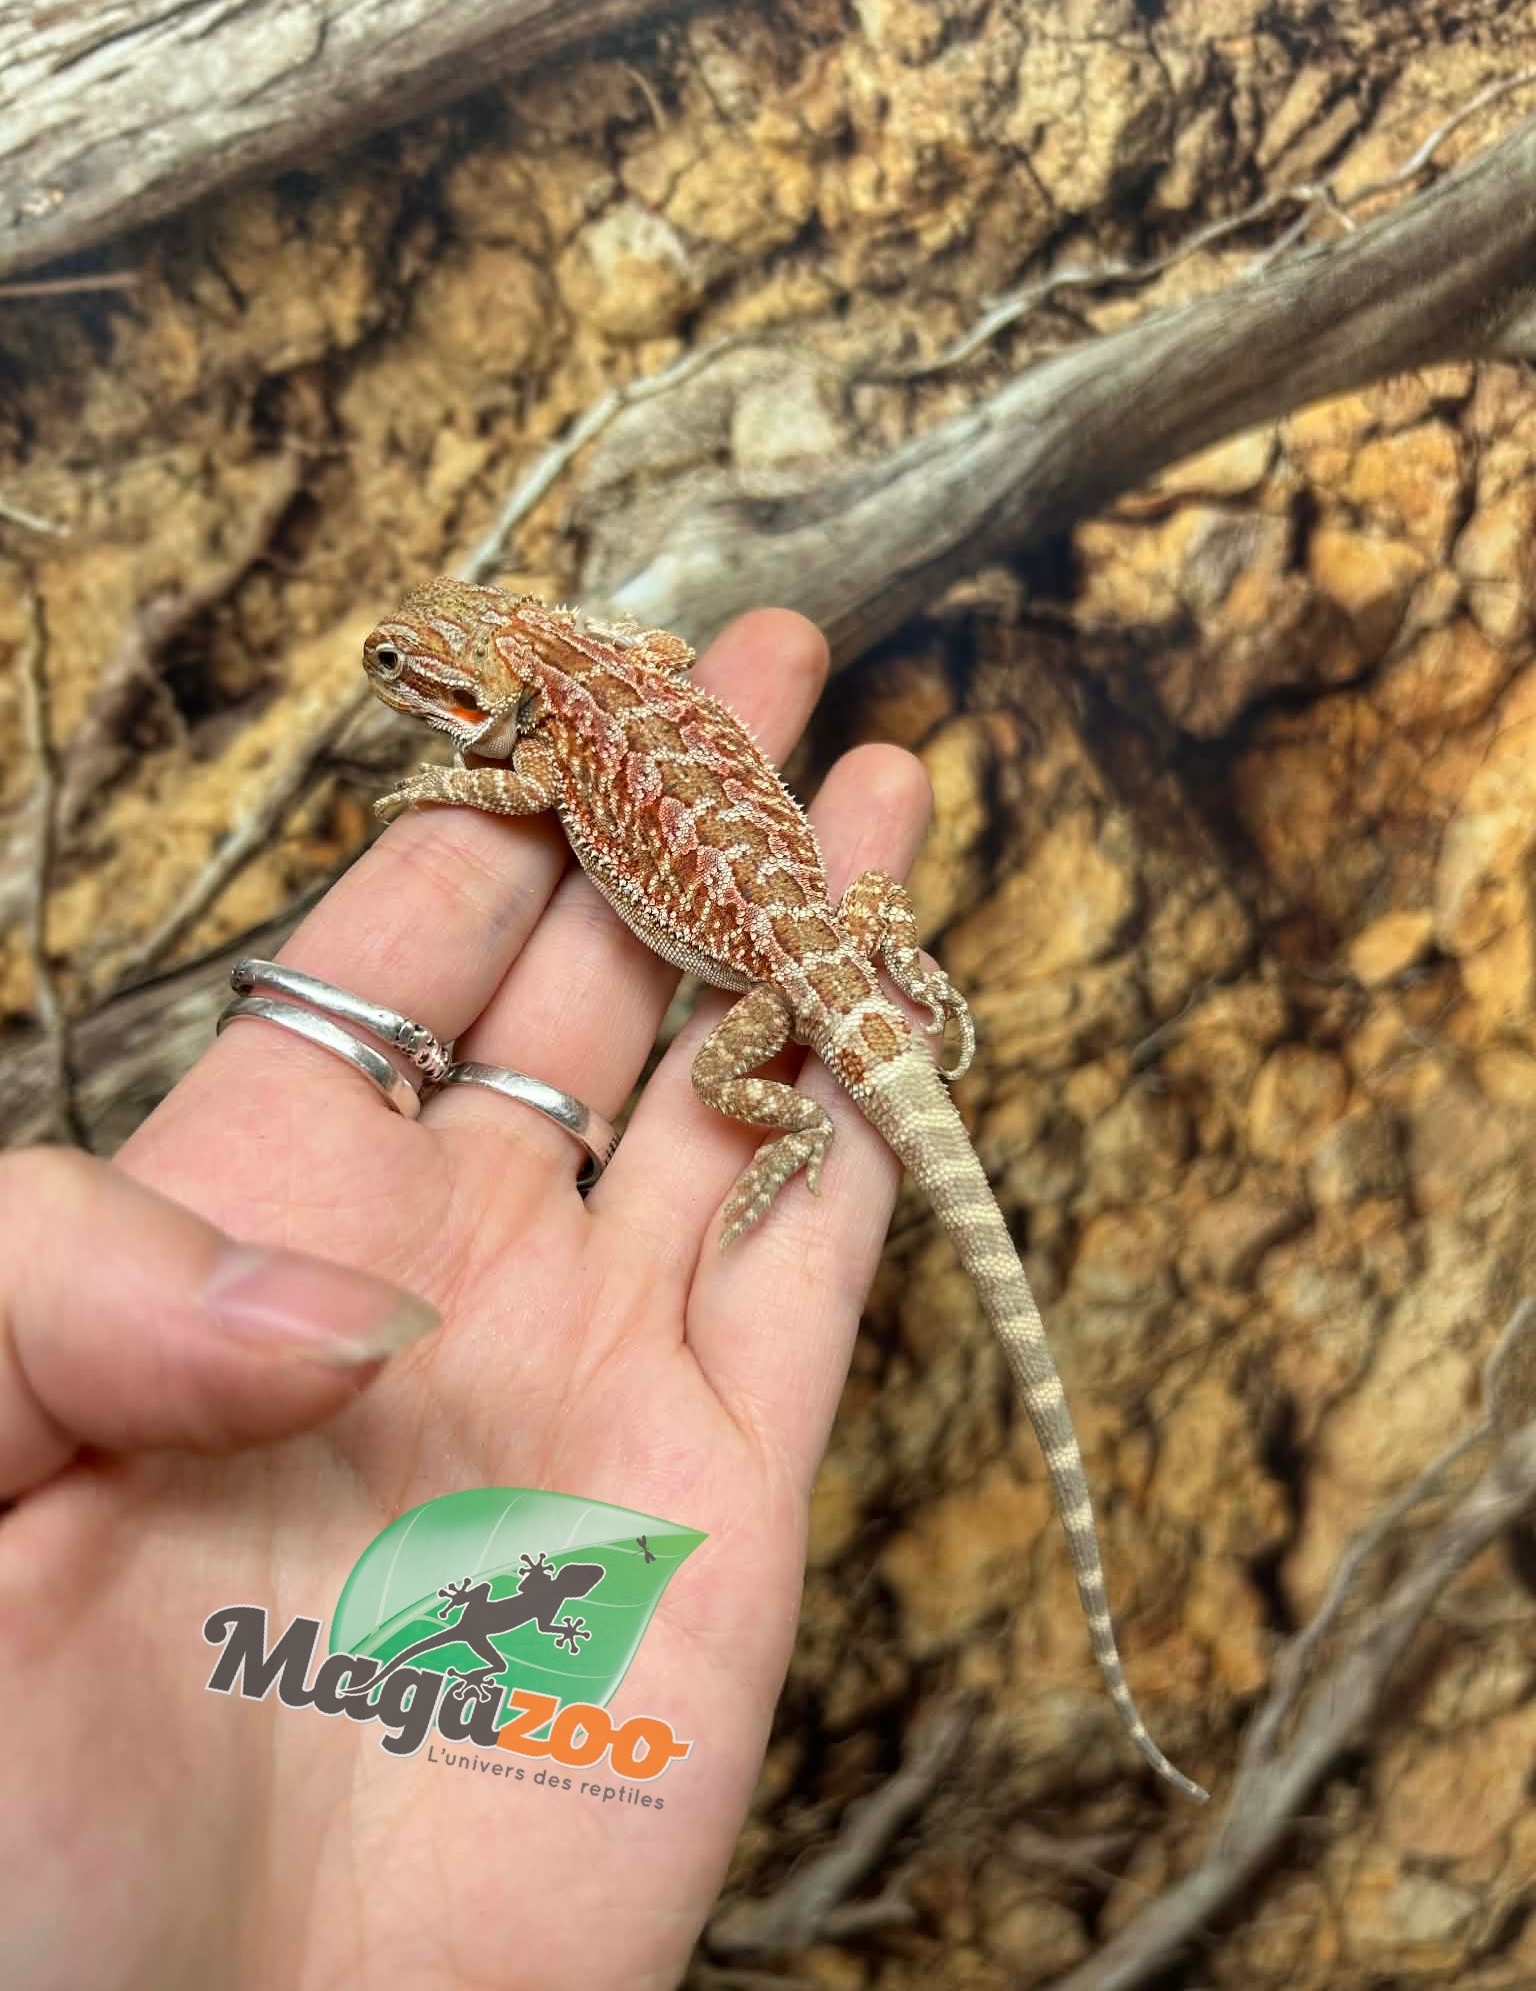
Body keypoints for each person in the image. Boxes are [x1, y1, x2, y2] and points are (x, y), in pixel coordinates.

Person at [0, 606, 939, 1987]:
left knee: (721, 1085)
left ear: (481, 677)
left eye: (404, 672)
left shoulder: (548, 739)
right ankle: (884, 970)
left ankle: (790, 1128)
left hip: (775, 967)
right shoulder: (624, 661)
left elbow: (536, 782)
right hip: (827, 937)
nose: (388, 684)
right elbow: (665, 665)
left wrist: (454, 780)